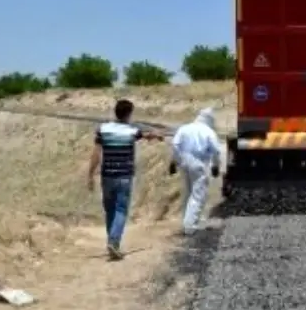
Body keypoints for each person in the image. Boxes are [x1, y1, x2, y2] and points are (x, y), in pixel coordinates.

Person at [87, 98, 163, 260]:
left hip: (107, 175)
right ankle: (114, 242)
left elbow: (96, 153)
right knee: (121, 209)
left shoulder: (103, 129)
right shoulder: (131, 131)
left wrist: (90, 175)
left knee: (110, 210)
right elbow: (146, 136)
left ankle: (112, 242)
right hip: (124, 176)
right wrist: (156, 135)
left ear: (116, 112)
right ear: (129, 114)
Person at [169, 107, 222, 235]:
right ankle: (190, 226)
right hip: (199, 164)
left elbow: (175, 144)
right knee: (198, 194)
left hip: (184, 163)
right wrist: (216, 166)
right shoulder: (209, 132)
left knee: (188, 192)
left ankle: (186, 222)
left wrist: (174, 161)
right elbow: (216, 151)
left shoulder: (184, 128)